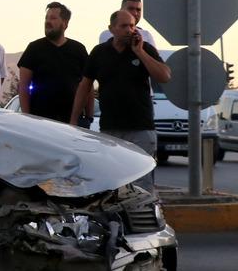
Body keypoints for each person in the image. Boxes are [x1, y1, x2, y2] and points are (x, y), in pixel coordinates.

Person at [70, 10, 171, 191]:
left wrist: (139, 52)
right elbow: (85, 86)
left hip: (140, 128)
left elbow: (164, 76)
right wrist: (74, 118)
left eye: (132, 26)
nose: (129, 30)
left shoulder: (144, 49)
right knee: (113, 182)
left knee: (142, 184)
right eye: (124, 26)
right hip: (111, 129)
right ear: (112, 29)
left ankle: (145, 218)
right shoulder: (100, 52)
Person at [17, 2, 89, 123]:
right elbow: (23, 86)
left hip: (72, 120)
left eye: (53, 18)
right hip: (40, 120)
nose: (47, 21)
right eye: (46, 18)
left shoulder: (78, 49)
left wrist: (89, 116)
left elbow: (87, 86)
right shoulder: (34, 48)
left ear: (65, 24)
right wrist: (26, 117)